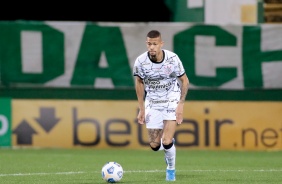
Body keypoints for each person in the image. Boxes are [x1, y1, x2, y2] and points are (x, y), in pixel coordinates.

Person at [133, 30, 189, 181]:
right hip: (152, 101)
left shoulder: (172, 59)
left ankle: (171, 170)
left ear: (161, 44)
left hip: (171, 99)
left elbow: (185, 80)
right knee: (154, 145)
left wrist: (181, 105)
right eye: (149, 44)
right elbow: (139, 83)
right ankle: (167, 147)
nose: (151, 47)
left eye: (155, 44)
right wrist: (142, 109)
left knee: (166, 141)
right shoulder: (140, 62)